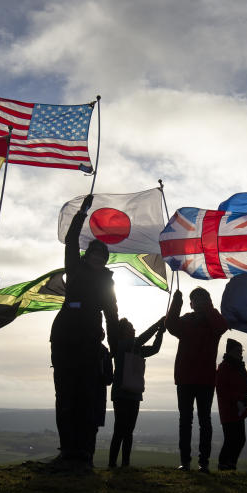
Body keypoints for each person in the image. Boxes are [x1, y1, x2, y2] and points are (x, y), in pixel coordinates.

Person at [50, 195, 118, 472]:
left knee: (88, 399)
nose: (98, 259)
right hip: (65, 341)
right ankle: (68, 451)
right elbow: (70, 241)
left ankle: (85, 454)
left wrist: (115, 350)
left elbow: (112, 316)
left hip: (91, 345)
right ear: (87, 256)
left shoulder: (107, 284)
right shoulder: (74, 270)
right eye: (95, 254)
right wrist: (82, 213)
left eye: (103, 256)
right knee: (66, 397)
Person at [166, 287, 228, 472]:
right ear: (191, 304)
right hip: (187, 378)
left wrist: (208, 308)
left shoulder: (213, 321)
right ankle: (185, 461)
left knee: (203, 420)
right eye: (195, 300)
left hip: (204, 379)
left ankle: (203, 462)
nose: (198, 303)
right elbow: (170, 325)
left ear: (208, 302)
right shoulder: (186, 320)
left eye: (202, 300)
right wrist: (177, 301)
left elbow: (222, 326)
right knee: (187, 420)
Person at [108, 316, 164, 468]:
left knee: (127, 430)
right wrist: (158, 325)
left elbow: (154, 349)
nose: (133, 330)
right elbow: (141, 340)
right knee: (121, 429)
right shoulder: (121, 346)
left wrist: (160, 332)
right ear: (123, 332)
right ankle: (114, 463)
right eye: (130, 328)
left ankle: (123, 463)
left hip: (132, 393)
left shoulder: (133, 347)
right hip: (123, 393)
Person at [215, 339, 247, 470]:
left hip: (239, 409)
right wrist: (239, 398)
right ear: (230, 352)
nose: (240, 354)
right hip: (229, 409)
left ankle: (230, 464)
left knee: (240, 439)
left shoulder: (240, 367)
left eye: (241, 351)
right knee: (231, 438)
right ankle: (224, 464)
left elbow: (244, 388)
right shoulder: (224, 368)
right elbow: (222, 391)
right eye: (238, 351)